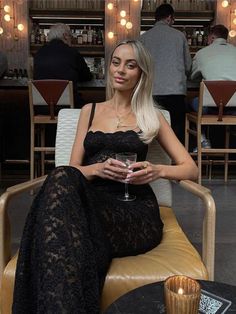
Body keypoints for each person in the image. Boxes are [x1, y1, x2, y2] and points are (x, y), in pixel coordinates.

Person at [13, 40, 198, 313]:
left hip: (133, 211)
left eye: (130, 65)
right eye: (116, 62)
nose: (120, 70)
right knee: (61, 177)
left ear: (141, 74)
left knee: (58, 236)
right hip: (90, 204)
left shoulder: (152, 116)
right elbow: (73, 169)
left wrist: (158, 170)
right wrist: (96, 169)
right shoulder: (89, 111)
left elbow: (190, 168)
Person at [139, 3, 192, 145]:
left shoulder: (144, 38)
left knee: (151, 130)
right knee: (176, 130)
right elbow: (188, 66)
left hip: (151, 92)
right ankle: (177, 163)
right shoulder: (179, 36)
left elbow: (139, 66)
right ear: (169, 18)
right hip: (175, 92)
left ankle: (154, 160)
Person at [191, 24, 236, 150]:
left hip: (210, 107)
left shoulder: (201, 53)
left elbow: (192, 76)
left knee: (193, 103)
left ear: (211, 38)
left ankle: (203, 139)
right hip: (234, 108)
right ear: (226, 38)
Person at [34, 23, 92, 108]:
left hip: (42, 108)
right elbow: (87, 77)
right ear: (65, 35)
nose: (71, 40)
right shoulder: (72, 53)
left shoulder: (39, 53)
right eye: (70, 36)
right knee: (90, 108)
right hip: (68, 108)